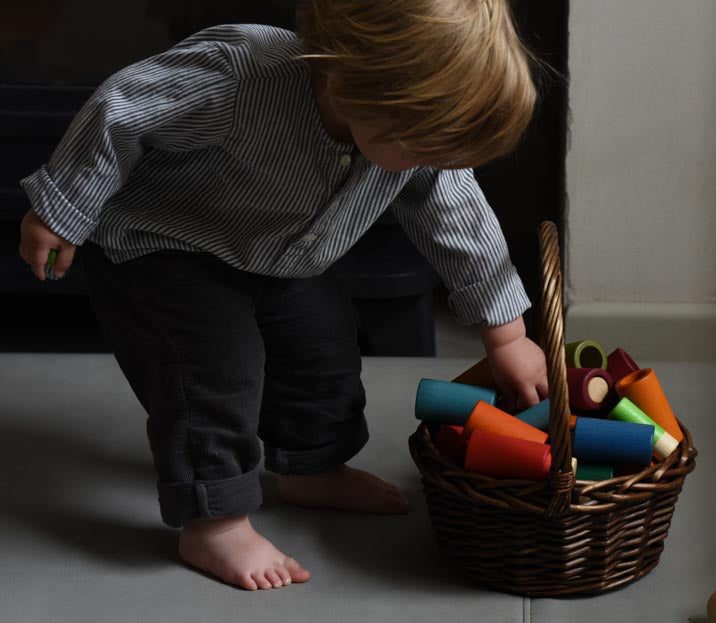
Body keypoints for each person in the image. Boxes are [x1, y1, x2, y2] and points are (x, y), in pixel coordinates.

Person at [17, 0, 548, 591]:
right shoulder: (241, 75)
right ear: (350, 84)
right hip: (166, 244)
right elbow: (123, 111)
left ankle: (312, 466)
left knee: (323, 346)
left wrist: (506, 332)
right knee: (214, 370)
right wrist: (63, 210)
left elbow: (458, 218)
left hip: (280, 252)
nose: (431, 164)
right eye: (421, 149)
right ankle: (213, 519)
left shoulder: (413, 134)